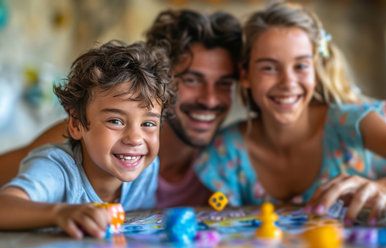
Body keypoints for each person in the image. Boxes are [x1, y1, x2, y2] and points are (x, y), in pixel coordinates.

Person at [194, 2, 386, 226]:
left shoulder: (352, 123)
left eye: (301, 66)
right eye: (269, 67)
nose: (288, 82)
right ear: (246, 75)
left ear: (316, 71)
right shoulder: (226, 152)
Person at [0, 9, 242, 208]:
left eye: (224, 84)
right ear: (159, 81)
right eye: (192, 80)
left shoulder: (225, 161)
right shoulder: (81, 141)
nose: (210, 100)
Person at [0, 40, 175, 239]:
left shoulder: (145, 170)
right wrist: (59, 213)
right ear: (76, 125)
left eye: (149, 124)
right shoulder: (57, 169)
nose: (135, 139)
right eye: (116, 121)